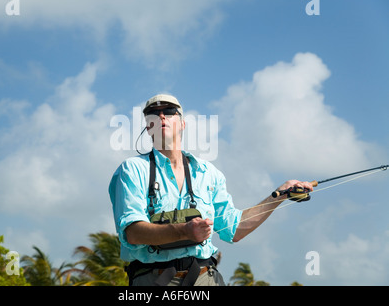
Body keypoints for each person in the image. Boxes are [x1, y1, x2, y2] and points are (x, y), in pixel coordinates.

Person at [108, 93, 313, 286]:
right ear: (147, 125)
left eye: (170, 112)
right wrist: (184, 231)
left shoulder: (209, 173)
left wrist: (279, 195)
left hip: (205, 277)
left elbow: (234, 229)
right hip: (153, 278)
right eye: (153, 113)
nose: (161, 115)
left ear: (183, 124)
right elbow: (132, 233)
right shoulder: (132, 169)